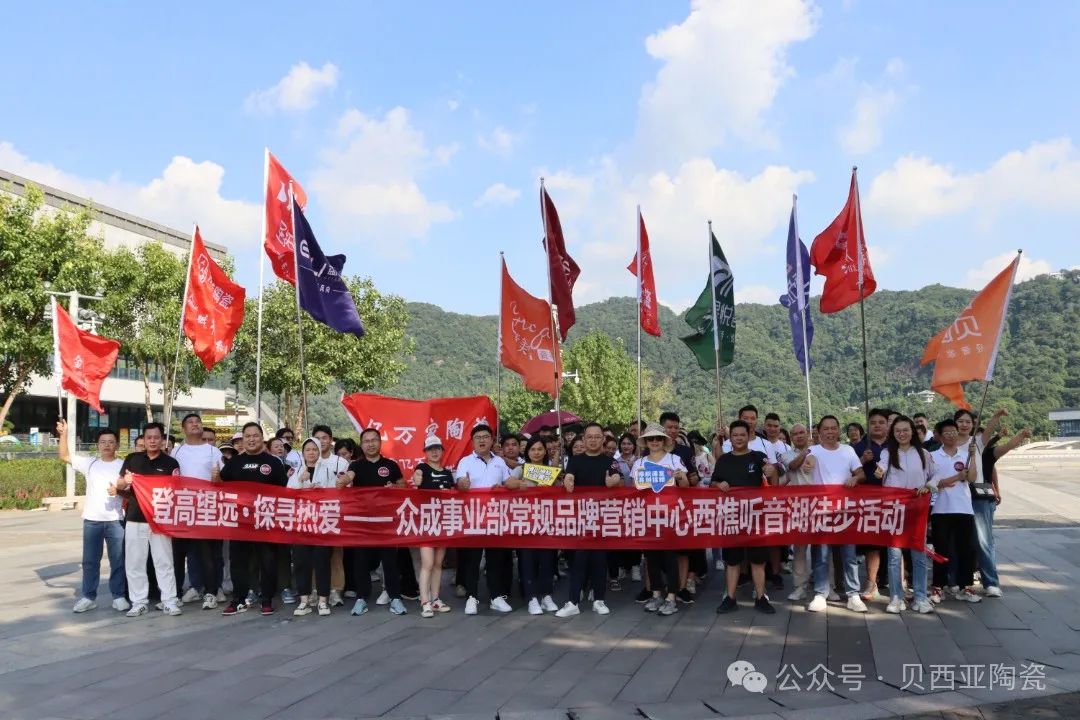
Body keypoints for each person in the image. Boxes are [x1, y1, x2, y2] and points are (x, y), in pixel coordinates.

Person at [787, 415, 867, 613]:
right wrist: (807, 462)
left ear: (838, 430)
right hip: (820, 510)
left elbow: (861, 473)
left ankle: (853, 594)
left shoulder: (848, 450)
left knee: (849, 555)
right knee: (821, 554)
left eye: (833, 428)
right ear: (819, 432)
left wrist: (855, 479)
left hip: (845, 510)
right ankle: (821, 593)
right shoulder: (813, 450)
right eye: (826, 428)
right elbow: (797, 465)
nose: (830, 432)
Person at [57, 419, 129, 614]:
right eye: (103, 442)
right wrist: (63, 434)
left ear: (117, 445)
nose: (107, 445)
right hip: (92, 520)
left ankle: (119, 596)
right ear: (97, 445)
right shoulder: (90, 463)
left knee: (118, 560)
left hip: (116, 520)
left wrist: (119, 491)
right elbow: (64, 455)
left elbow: (132, 490)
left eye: (111, 442)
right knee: (90, 561)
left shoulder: (124, 466)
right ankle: (88, 597)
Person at [220, 422, 289, 616]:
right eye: (247, 436)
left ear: (262, 438)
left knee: (267, 561)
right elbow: (220, 487)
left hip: (265, 520)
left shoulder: (274, 463)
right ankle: (238, 599)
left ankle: (266, 598)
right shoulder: (234, 462)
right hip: (240, 522)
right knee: (238, 561)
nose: (251, 439)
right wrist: (216, 478)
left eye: (255, 435)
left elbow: (284, 491)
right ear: (243, 439)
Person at [555, 422, 623, 618]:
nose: (593, 440)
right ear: (584, 439)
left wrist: (613, 481)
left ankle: (599, 600)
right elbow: (569, 477)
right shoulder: (575, 460)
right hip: (581, 519)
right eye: (589, 437)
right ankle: (573, 601)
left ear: (603, 439)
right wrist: (568, 481)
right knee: (578, 560)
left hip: (603, 518)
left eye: (597, 437)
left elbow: (618, 478)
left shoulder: (610, 461)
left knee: (600, 560)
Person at [115, 422, 181, 617]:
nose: (152, 441)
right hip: (135, 517)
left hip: (160, 520)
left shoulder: (171, 463)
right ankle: (139, 602)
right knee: (135, 562)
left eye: (156, 437)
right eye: (149, 437)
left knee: (164, 561)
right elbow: (119, 484)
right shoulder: (132, 459)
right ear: (143, 439)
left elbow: (177, 490)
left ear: (162, 440)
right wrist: (125, 481)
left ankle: (169, 601)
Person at [339, 427, 407, 616]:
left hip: (386, 523)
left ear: (380, 442)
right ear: (361, 445)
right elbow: (348, 478)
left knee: (390, 561)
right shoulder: (356, 466)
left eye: (374, 440)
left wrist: (395, 487)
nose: (370, 444)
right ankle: (361, 598)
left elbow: (403, 485)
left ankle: (395, 597)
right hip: (363, 523)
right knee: (361, 561)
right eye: (366, 441)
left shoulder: (391, 465)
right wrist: (343, 480)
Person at [714, 420, 779, 614]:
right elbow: (713, 483)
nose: (739, 438)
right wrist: (718, 485)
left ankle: (761, 597)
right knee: (732, 560)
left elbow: (774, 484)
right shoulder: (723, 460)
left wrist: (772, 472)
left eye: (742, 435)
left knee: (758, 560)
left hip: (756, 516)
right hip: (731, 516)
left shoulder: (758, 457)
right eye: (735, 435)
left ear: (748, 436)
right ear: (730, 438)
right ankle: (730, 598)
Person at [875, 415, 935, 614]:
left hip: (917, 509)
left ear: (912, 432)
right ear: (893, 433)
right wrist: (879, 470)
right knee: (894, 555)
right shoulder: (888, 453)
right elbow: (882, 466)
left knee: (918, 555)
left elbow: (935, 474)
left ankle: (920, 597)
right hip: (895, 510)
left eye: (905, 430)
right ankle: (896, 597)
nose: (902, 434)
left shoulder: (924, 453)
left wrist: (929, 486)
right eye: (898, 431)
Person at [629, 423, 690, 616]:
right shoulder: (639, 463)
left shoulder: (674, 460)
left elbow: (686, 486)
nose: (654, 442)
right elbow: (634, 487)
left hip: (670, 515)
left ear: (664, 441)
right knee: (651, 557)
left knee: (670, 557)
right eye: (650, 439)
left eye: (658, 438)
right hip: (648, 516)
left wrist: (680, 477)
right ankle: (656, 593)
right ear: (645, 442)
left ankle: (671, 596)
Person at [455, 424, 513, 614]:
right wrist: (463, 484)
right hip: (473, 517)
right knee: (472, 560)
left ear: (492, 440)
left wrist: (517, 484)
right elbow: (460, 483)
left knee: (495, 559)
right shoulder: (465, 462)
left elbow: (508, 482)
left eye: (485, 437)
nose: (482, 440)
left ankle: (496, 596)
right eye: (478, 437)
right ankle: (472, 597)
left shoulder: (500, 462)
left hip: (495, 517)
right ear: (472, 441)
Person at [170, 413, 224, 610]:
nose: (195, 424)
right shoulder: (176, 451)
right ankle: (175, 594)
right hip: (182, 508)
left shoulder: (213, 451)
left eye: (198, 422)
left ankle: (211, 592)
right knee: (178, 555)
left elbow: (224, 481)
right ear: (183, 429)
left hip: (205, 508)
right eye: (190, 422)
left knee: (207, 553)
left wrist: (217, 479)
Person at [928, 419, 982, 604]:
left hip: (964, 508)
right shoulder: (932, 456)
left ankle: (965, 586)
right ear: (939, 435)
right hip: (940, 509)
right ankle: (938, 587)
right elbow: (933, 484)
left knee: (966, 549)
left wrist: (973, 457)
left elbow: (972, 478)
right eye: (947, 432)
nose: (951, 435)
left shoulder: (966, 454)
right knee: (941, 550)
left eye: (954, 431)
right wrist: (956, 477)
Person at [507, 437, 560, 615]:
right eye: (533, 449)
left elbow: (560, 490)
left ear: (545, 451)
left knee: (547, 560)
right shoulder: (521, 469)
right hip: (526, 522)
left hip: (547, 522)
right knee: (527, 560)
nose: (536, 452)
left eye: (540, 449)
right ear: (527, 452)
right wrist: (521, 484)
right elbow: (508, 483)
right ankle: (531, 598)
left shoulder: (551, 471)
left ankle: (546, 596)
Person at [288, 437, 335, 617]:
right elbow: (288, 495)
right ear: (303, 452)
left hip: (322, 523)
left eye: (314, 449)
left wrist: (320, 491)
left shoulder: (328, 469)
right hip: (302, 524)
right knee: (301, 562)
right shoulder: (297, 471)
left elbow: (335, 493)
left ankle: (323, 600)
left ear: (319, 451)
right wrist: (301, 482)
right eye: (307, 449)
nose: (311, 452)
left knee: (322, 562)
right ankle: (304, 600)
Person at [412, 436, 456, 618]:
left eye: (437, 448)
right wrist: (417, 478)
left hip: (443, 521)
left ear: (442, 450)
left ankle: (436, 599)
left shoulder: (447, 473)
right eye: (430, 449)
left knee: (438, 563)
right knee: (428, 563)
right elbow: (417, 480)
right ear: (425, 452)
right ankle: (425, 601)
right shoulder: (422, 468)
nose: (434, 452)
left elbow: (453, 495)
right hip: (427, 521)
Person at [660, 412, 700, 603]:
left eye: (676, 427)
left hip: (681, 507)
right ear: (662, 428)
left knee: (682, 551)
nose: (673, 431)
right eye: (669, 427)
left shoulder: (685, 452)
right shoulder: (651, 451)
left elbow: (694, 477)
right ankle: (660, 587)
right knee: (660, 551)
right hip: (658, 508)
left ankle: (682, 587)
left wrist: (692, 479)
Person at [852, 408, 890, 601]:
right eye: (873, 422)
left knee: (895, 543)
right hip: (869, 502)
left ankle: (900, 581)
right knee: (872, 544)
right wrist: (862, 460)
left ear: (888, 425)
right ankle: (871, 582)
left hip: (894, 501)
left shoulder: (896, 445)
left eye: (881, 422)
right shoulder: (859, 447)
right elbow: (850, 473)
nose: (877, 425)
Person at [311, 425, 351, 607]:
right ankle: (315, 589)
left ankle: (336, 590)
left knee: (335, 553)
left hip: (334, 512)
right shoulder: (309, 460)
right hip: (312, 514)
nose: (321, 441)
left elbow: (348, 487)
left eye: (325, 437)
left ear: (331, 440)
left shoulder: (340, 462)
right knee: (314, 554)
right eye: (317, 438)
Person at [779, 423, 814, 601]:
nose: (799, 436)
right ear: (791, 437)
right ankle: (799, 586)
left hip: (821, 505)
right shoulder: (786, 454)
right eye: (795, 434)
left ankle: (827, 586)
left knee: (824, 548)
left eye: (802, 432)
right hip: (799, 507)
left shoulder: (820, 452)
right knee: (799, 548)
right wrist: (806, 453)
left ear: (807, 434)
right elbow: (792, 466)